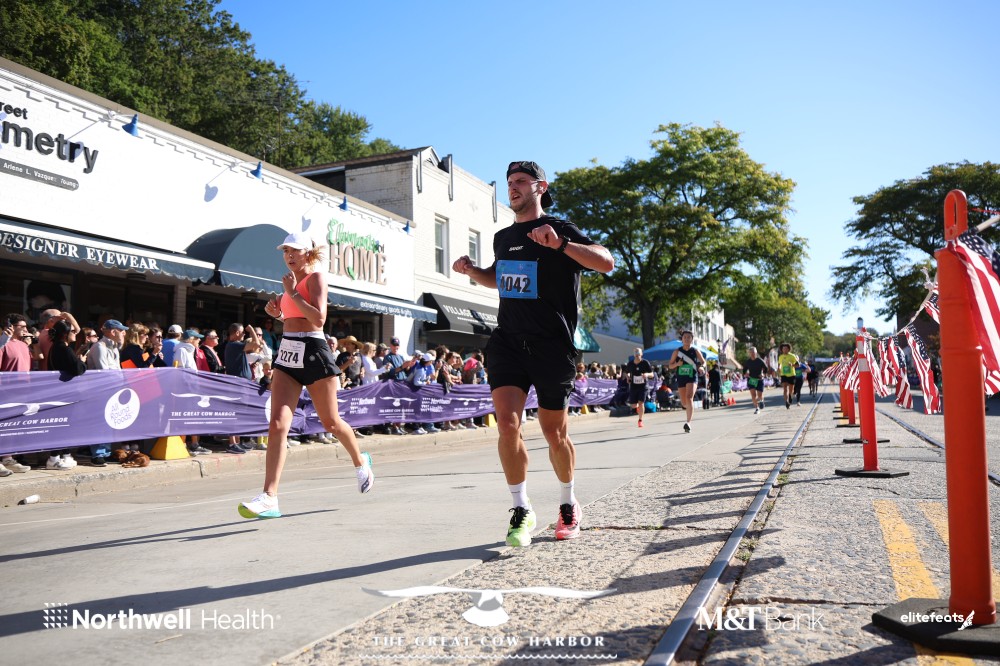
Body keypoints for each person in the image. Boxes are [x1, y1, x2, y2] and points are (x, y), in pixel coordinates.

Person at [452, 160, 614, 547]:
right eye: (510, 182)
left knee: (554, 432)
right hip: (508, 341)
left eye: (521, 181)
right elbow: (499, 278)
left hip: (552, 345)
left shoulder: (560, 228)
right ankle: (521, 508)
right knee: (507, 425)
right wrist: (473, 271)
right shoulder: (503, 237)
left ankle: (568, 503)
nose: (513, 187)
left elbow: (606, 262)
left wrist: (560, 245)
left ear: (540, 187)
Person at [237, 231, 374, 520]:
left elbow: (318, 319)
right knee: (277, 424)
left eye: (294, 251)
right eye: (285, 251)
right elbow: (294, 319)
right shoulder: (288, 284)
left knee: (331, 422)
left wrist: (293, 293)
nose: (288, 256)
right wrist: (278, 314)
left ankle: (361, 461)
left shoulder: (315, 279)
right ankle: (270, 497)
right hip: (288, 352)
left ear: (308, 253)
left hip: (313, 351)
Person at [85, 318, 129, 465]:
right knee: (99, 422)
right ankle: (97, 453)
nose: (123, 333)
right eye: (121, 331)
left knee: (109, 421)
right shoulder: (100, 347)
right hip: (101, 391)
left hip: (112, 390)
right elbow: (104, 371)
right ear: (113, 332)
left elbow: (116, 369)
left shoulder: (113, 347)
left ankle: (106, 451)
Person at [668, 331, 706, 433]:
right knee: (684, 403)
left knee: (689, 397)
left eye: (689, 337)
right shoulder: (677, 352)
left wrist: (702, 367)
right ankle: (688, 408)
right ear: (682, 339)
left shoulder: (695, 351)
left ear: (692, 339)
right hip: (681, 378)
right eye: (685, 337)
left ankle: (688, 423)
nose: (686, 339)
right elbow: (670, 365)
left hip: (692, 377)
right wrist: (677, 364)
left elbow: (703, 362)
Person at [625, 347, 654, 428]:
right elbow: (626, 373)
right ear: (634, 355)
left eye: (638, 353)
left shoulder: (645, 363)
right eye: (636, 353)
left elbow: (652, 374)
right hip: (634, 386)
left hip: (643, 386)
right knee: (633, 405)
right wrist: (628, 377)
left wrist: (646, 374)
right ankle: (639, 408)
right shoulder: (630, 364)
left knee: (641, 403)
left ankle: (640, 420)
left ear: (641, 354)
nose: (637, 355)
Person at [744, 346, 769, 414]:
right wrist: (745, 374)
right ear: (749, 353)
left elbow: (766, 368)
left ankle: (761, 401)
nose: (752, 354)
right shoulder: (748, 362)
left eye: (753, 352)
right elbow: (744, 370)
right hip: (751, 379)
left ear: (756, 353)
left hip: (759, 379)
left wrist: (763, 374)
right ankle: (757, 408)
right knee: (753, 395)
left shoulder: (760, 361)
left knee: (759, 395)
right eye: (751, 352)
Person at [776, 342, 799, 409]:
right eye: (783, 349)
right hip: (783, 374)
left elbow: (797, 365)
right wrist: (779, 368)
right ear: (782, 350)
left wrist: (792, 365)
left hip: (791, 374)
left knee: (791, 390)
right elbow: (780, 364)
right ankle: (786, 401)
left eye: (786, 348)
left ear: (789, 349)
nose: (785, 350)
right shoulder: (780, 357)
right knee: (785, 388)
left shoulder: (792, 356)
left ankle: (790, 397)